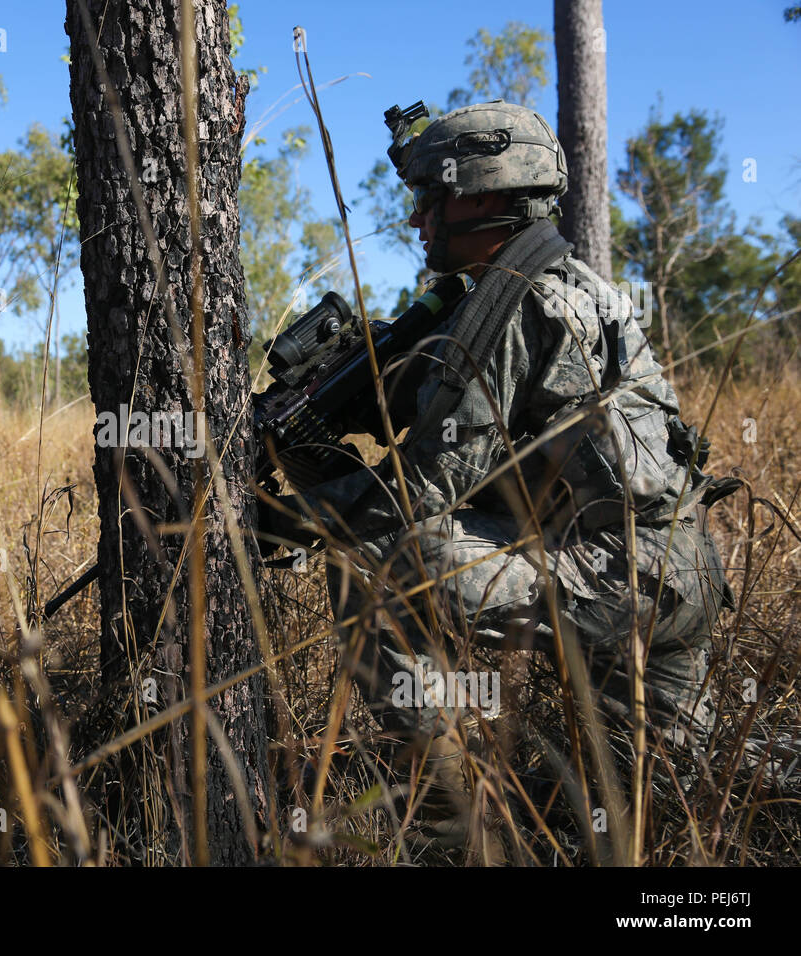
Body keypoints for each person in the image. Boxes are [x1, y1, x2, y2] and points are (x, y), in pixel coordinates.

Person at [259, 100, 751, 863]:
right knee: (666, 812)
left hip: (616, 581)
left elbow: (414, 498)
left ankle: (452, 841)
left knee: (375, 561)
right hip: (674, 579)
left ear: (483, 194)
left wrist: (264, 522)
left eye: (430, 200)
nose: (419, 223)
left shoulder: (513, 306)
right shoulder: (554, 278)